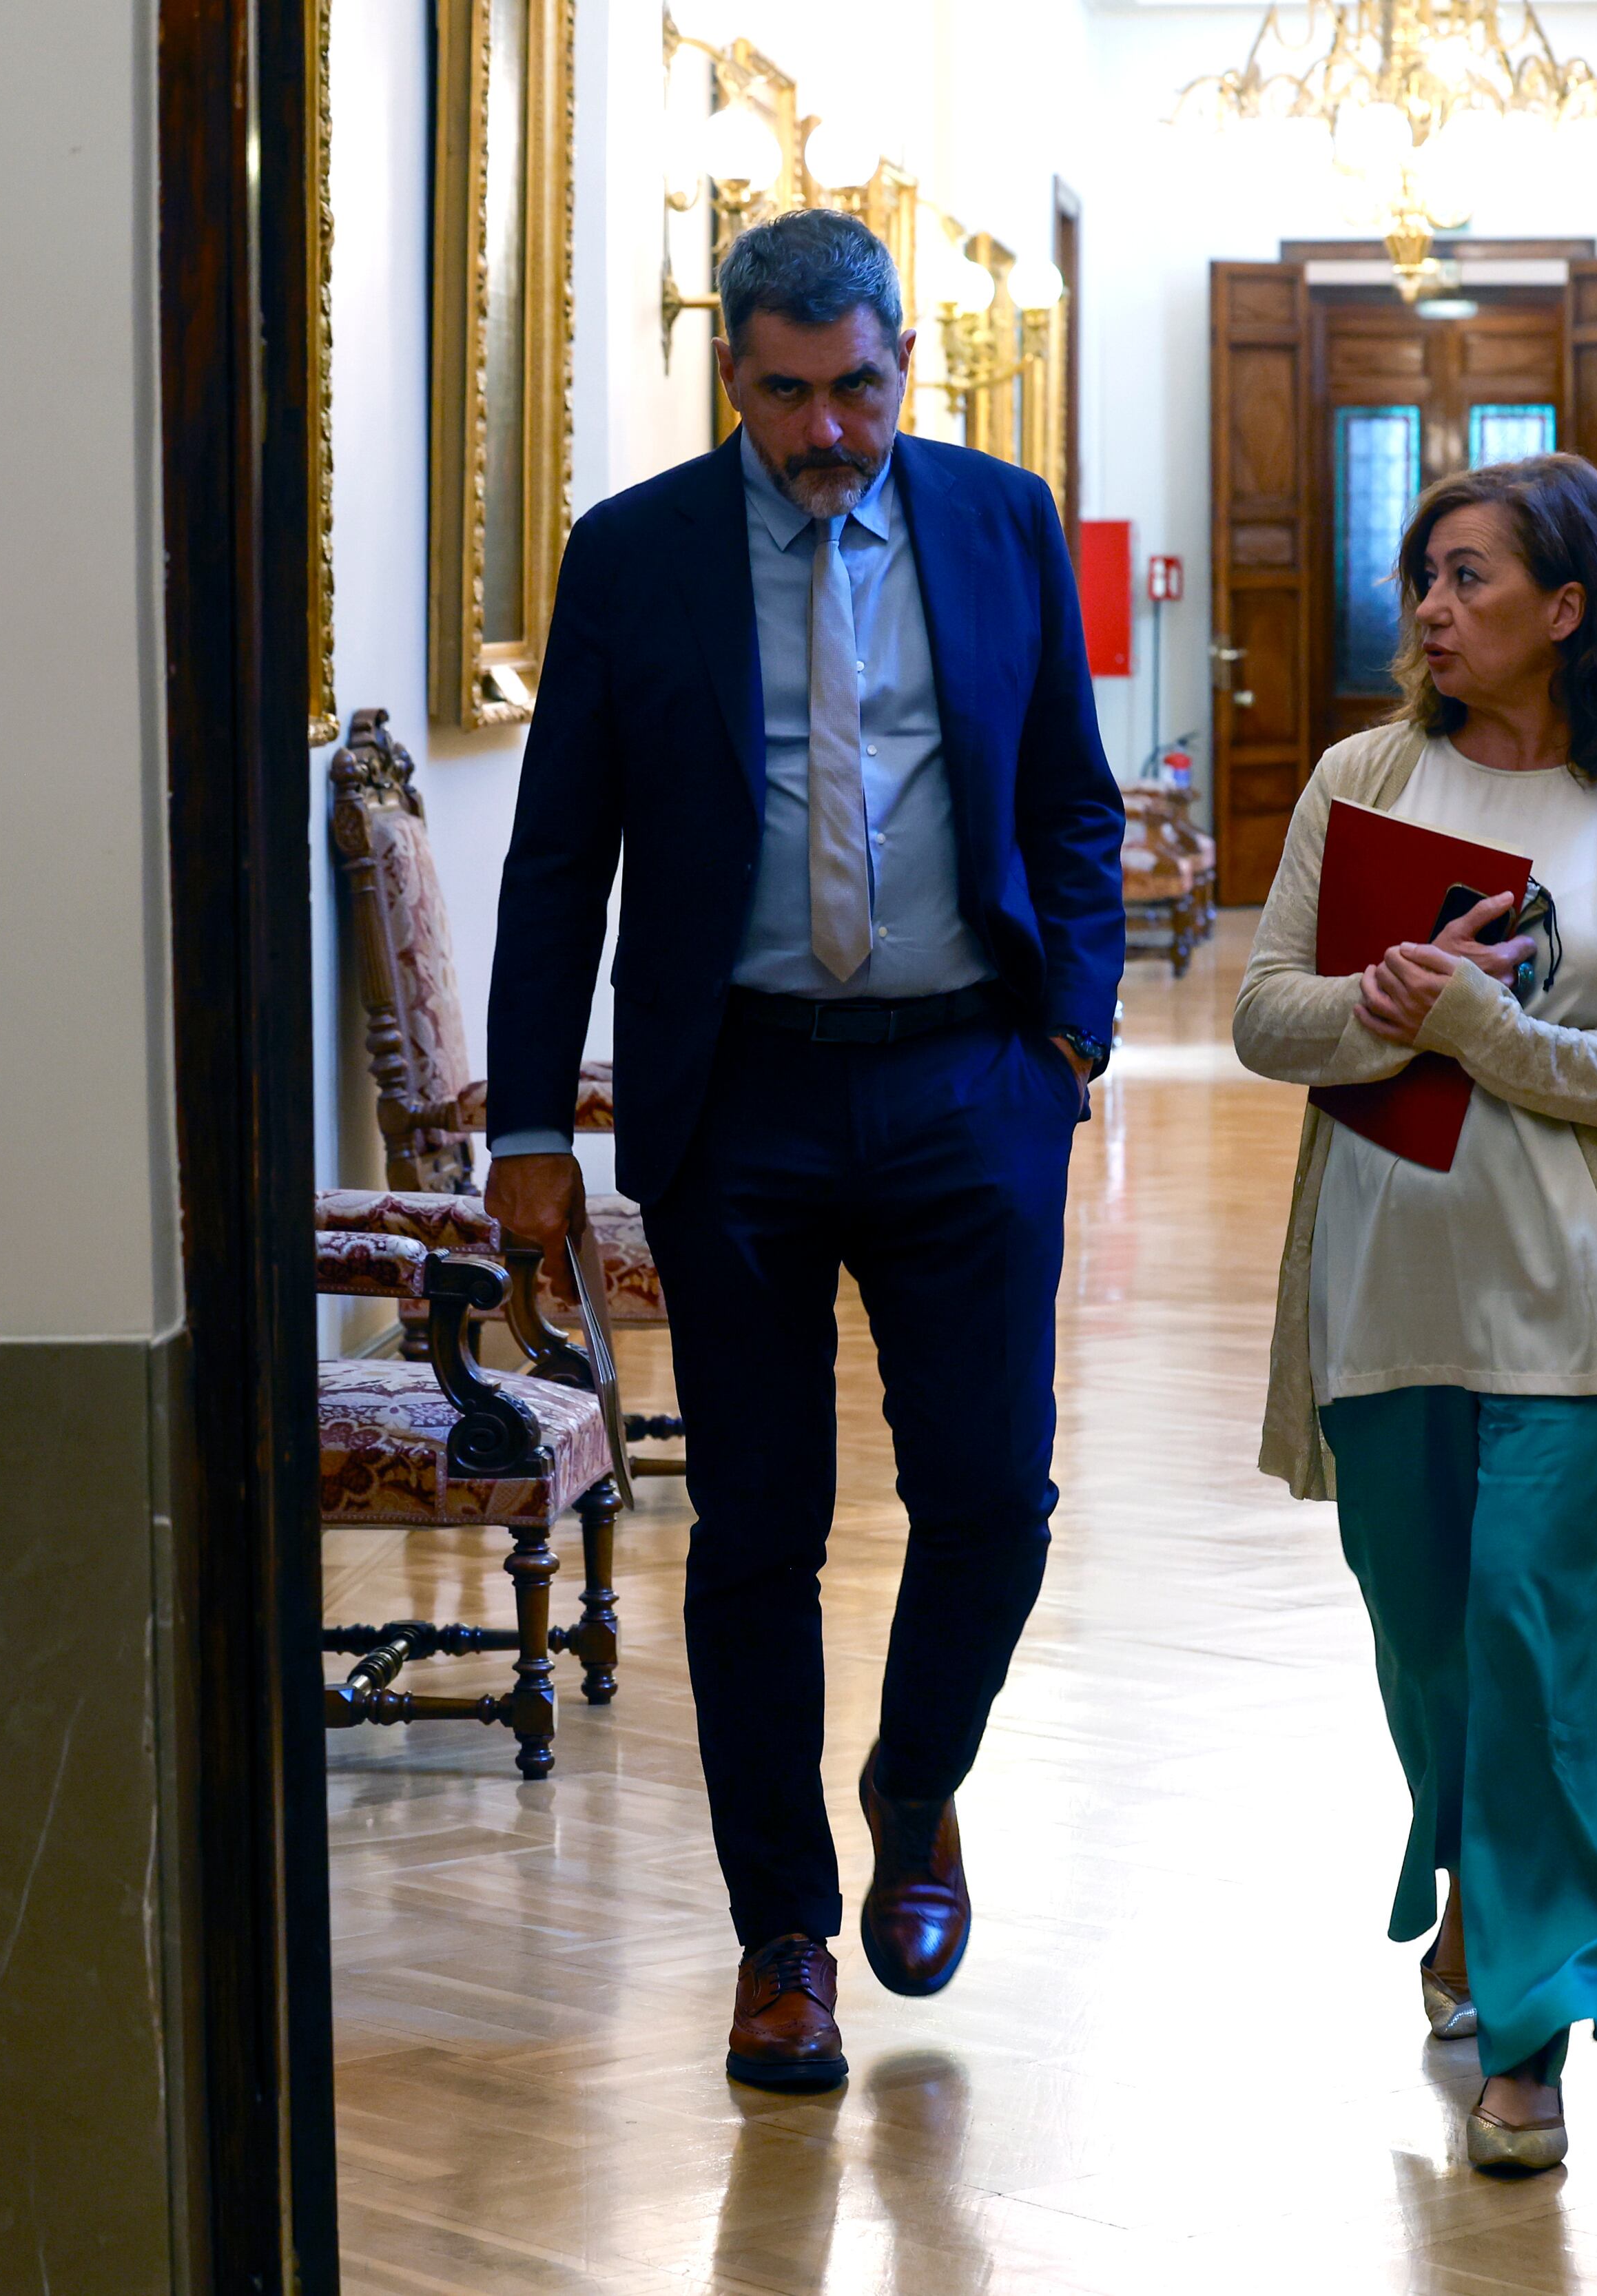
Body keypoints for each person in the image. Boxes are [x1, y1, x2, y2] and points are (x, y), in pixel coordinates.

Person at [478, 210, 1123, 2091]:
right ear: (733, 376)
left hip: (966, 1082)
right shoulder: (637, 554)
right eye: (788, 393)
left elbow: (1070, 801)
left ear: (903, 363)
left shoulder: (998, 520)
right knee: (756, 1527)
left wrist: (1070, 1032)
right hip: (738, 1095)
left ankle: (915, 1783)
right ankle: (783, 1938)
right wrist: (529, 1122)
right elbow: (557, 858)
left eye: (858, 388)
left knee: (993, 1498)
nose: (828, 428)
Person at [1234, 455, 1597, 2174]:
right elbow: (1265, 1018)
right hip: (1385, 1291)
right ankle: (1477, 1886)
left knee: (1526, 1632)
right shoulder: (1362, 778)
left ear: (1567, 606)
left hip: (1571, 1306)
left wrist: (1492, 1035)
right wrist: (1378, 1005)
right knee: (1430, 1646)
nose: (1432, 608)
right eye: (1424, 578)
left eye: (1468, 577)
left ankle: (1527, 2026)